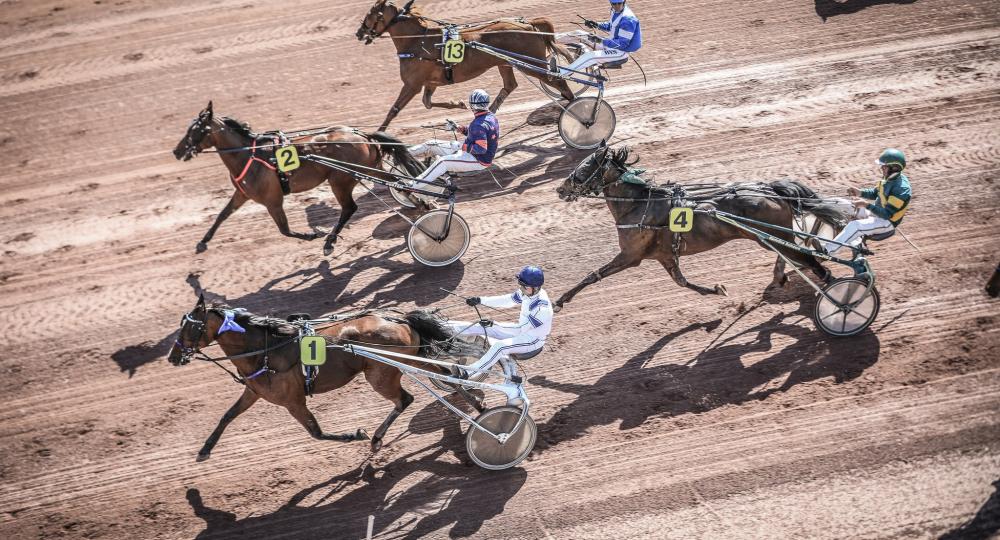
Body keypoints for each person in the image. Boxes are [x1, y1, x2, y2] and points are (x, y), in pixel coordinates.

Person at [449, 266, 553, 380]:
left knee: (500, 346)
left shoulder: (542, 308)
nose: (521, 289)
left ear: (536, 288)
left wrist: (494, 324)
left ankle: (468, 373)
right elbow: (507, 300)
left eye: (524, 287)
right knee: (480, 326)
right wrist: (480, 300)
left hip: (532, 341)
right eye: (521, 285)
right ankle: (447, 330)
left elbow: (522, 328)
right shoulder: (527, 292)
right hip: (520, 331)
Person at [406, 89, 499, 203]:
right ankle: (404, 154)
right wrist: (460, 128)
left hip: (478, 160)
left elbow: (481, 149)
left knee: (442, 162)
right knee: (431, 143)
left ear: (472, 106)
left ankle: (413, 185)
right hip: (471, 152)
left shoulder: (478, 124)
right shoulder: (490, 117)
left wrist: (462, 146)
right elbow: (476, 133)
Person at [823, 148, 912, 255]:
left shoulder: (901, 189)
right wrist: (860, 192)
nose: (881, 168)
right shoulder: (889, 178)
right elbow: (875, 193)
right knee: (839, 203)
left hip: (886, 223)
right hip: (874, 214)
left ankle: (826, 251)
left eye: (884, 166)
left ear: (894, 168)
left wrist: (865, 205)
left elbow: (886, 214)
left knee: (855, 226)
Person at [558, 0, 642, 75]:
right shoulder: (615, 11)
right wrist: (597, 24)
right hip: (609, 43)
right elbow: (611, 26)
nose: (616, 6)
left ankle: (560, 73)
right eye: (614, 4)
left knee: (590, 56)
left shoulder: (628, 20)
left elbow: (622, 44)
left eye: (619, 3)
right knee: (579, 34)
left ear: (624, 2)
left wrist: (601, 40)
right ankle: (550, 38)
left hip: (620, 52)